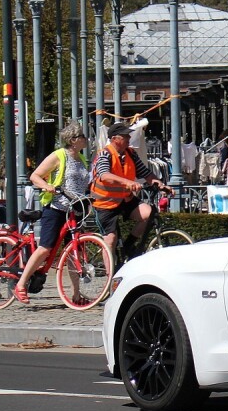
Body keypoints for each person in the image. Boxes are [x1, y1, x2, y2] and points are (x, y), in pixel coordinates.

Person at [14, 121, 91, 304]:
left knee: (74, 252)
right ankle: (21, 285)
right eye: (82, 136)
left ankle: (76, 294)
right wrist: (47, 186)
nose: (86, 139)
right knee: (45, 248)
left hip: (74, 210)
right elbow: (35, 176)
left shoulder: (81, 158)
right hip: (57, 208)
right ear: (73, 140)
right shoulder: (59, 155)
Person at [91, 121, 170, 264]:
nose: (128, 138)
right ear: (114, 138)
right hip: (105, 204)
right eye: (125, 136)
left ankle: (128, 245)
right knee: (110, 240)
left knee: (149, 213)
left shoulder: (131, 153)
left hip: (125, 199)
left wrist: (160, 183)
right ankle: (111, 279)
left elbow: (145, 173)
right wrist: (127, 182)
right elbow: (104, 175)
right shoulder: (104, 154)